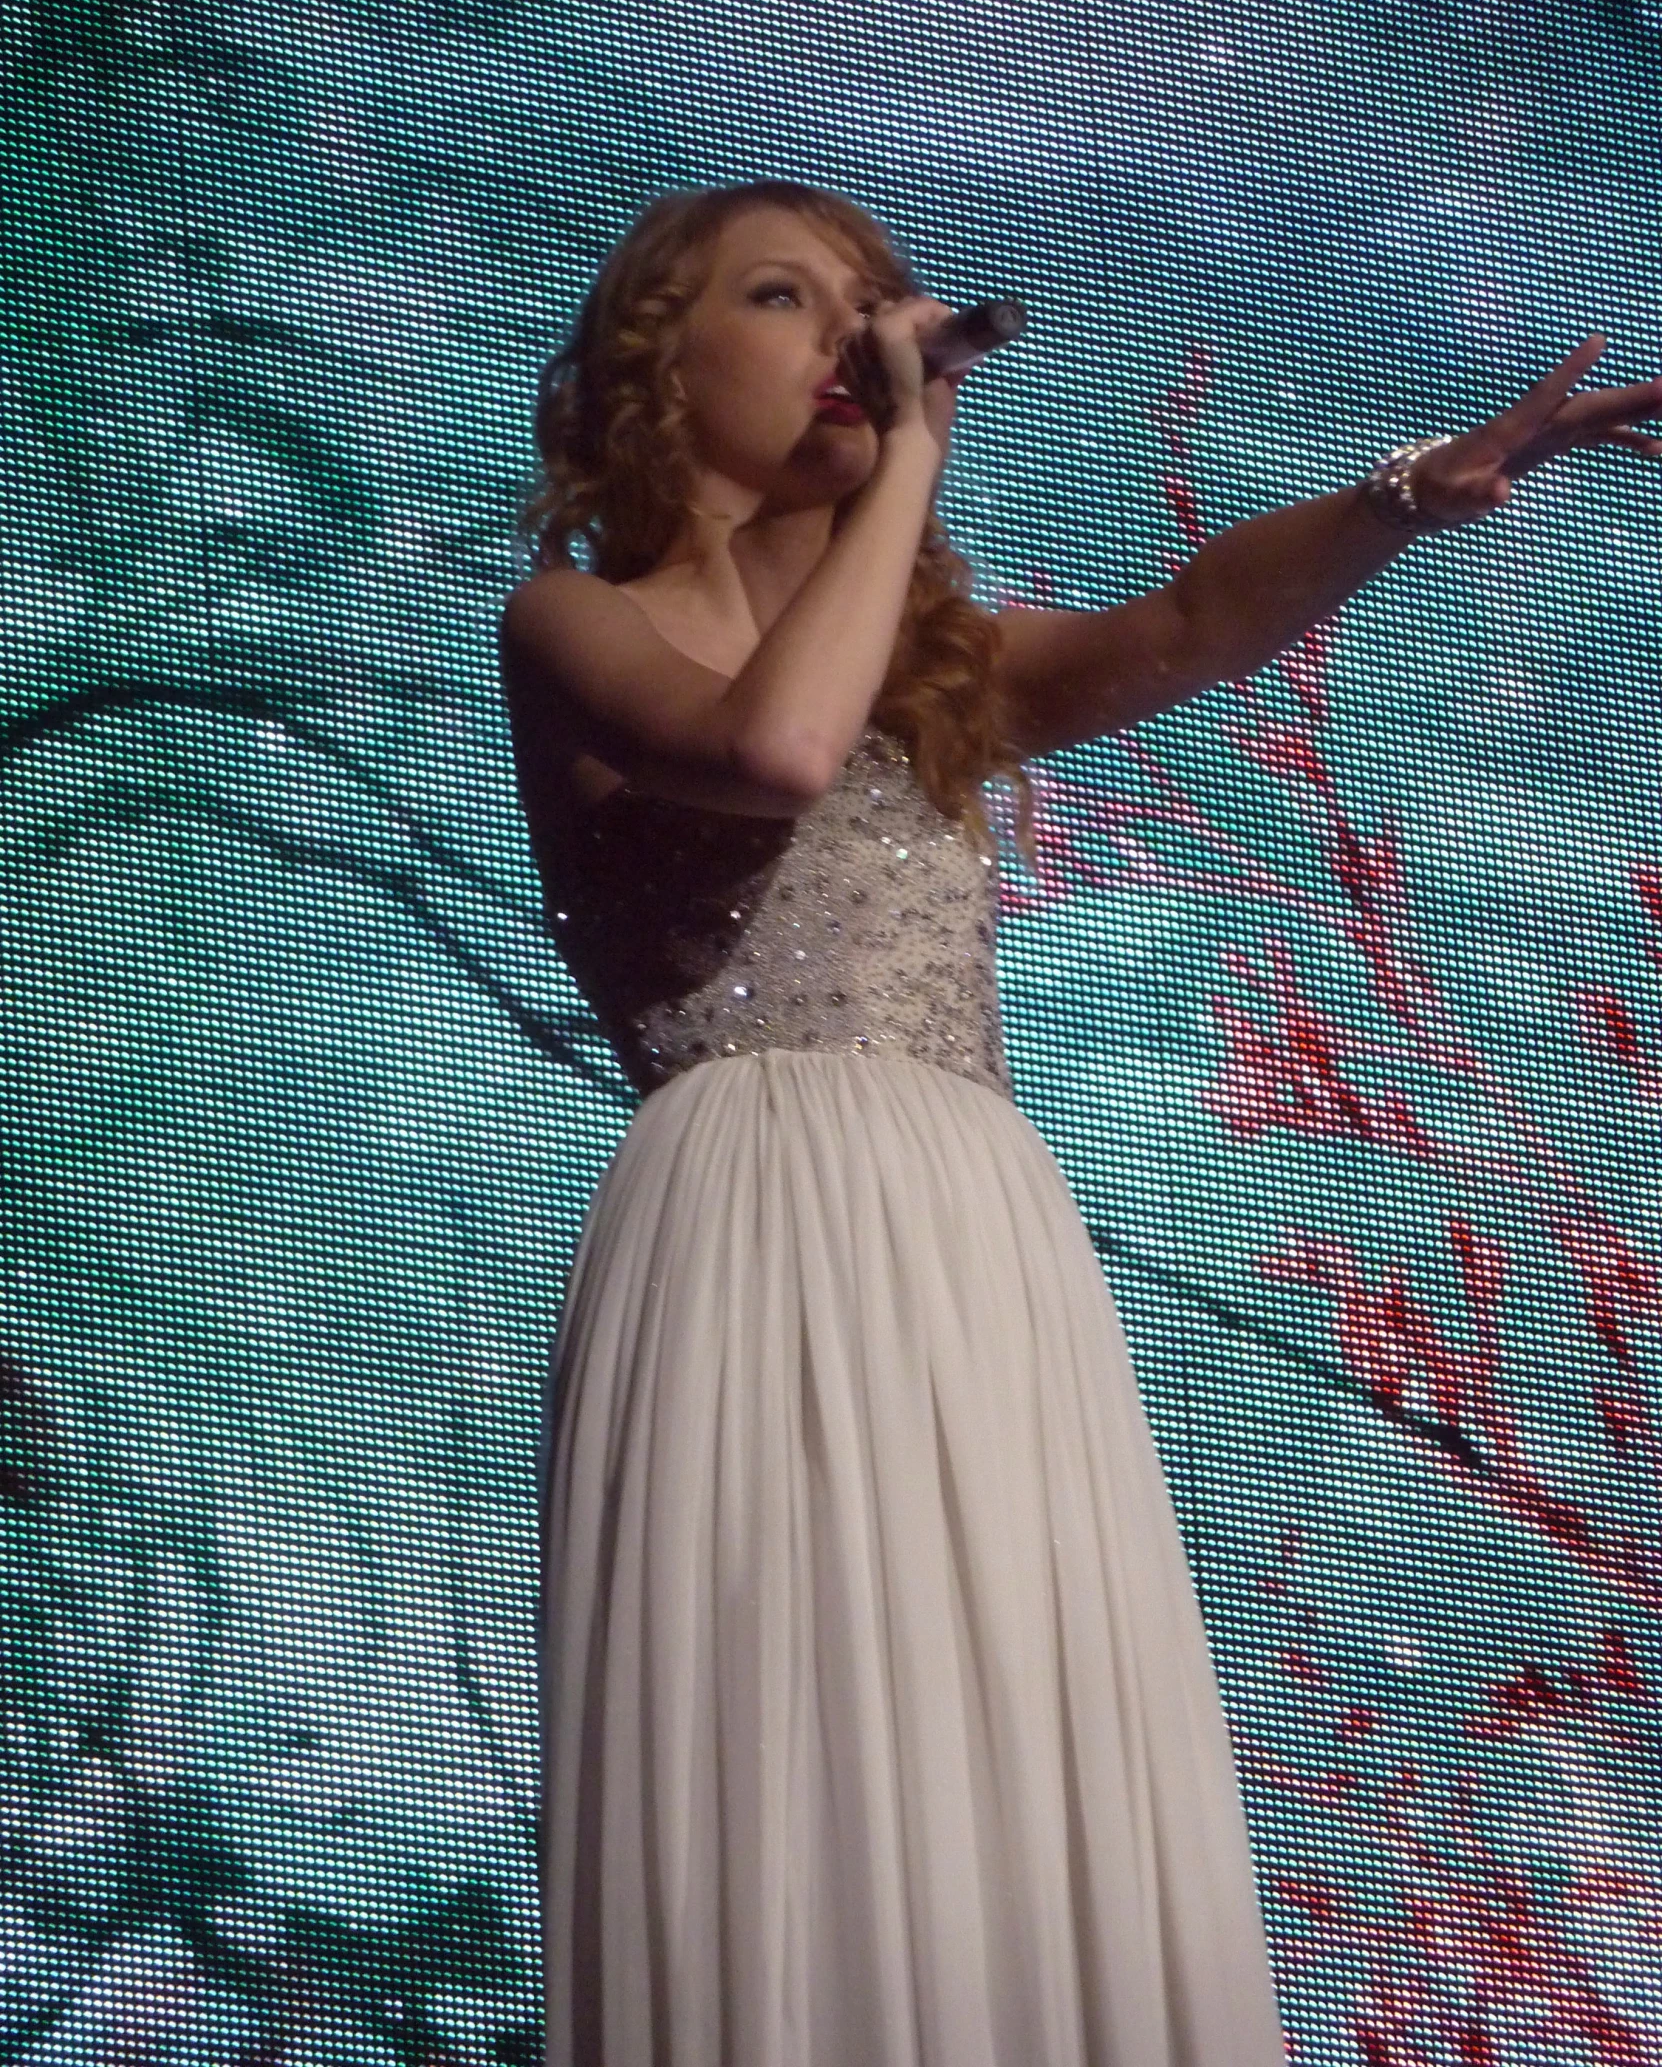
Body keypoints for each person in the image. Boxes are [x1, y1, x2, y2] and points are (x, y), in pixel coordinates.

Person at [498, 178, 1662, 2067]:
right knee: (801, 1705)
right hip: (754, 1201)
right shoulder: (573, 621)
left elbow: (1186, 618)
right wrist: (906, 472)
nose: (854, 337)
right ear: (654, 368)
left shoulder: (944, 661)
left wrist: (1396, 498)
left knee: (1006, 1698)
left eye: (875, 304)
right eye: (788, 300)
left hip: (970, 1211)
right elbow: (778, 748)